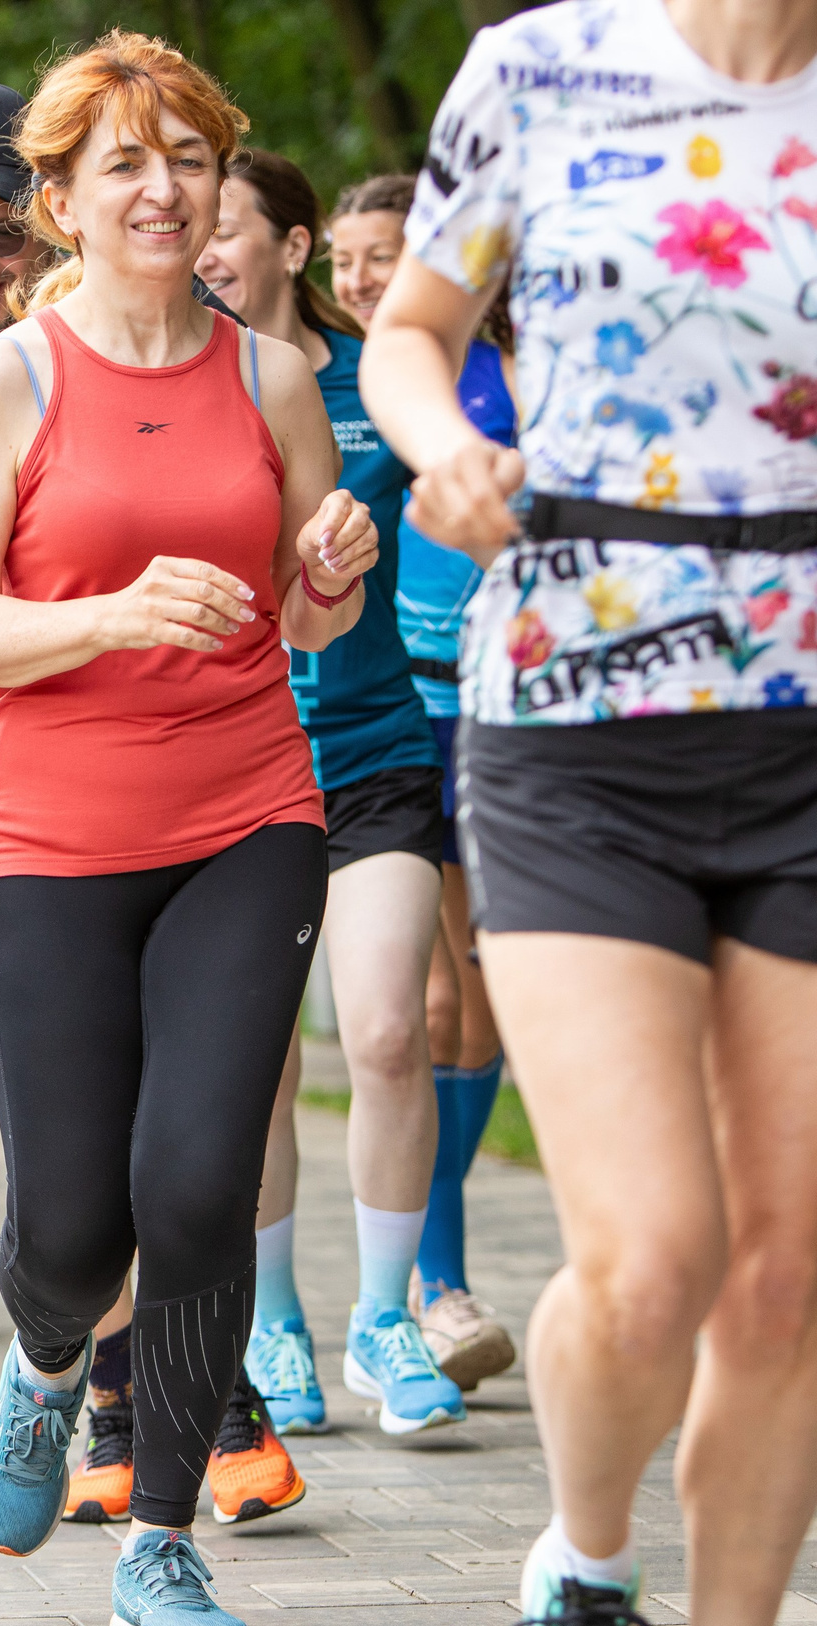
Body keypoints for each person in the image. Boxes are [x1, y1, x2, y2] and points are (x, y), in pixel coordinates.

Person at [364, 2, 817, 1626]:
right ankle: (587, 1563)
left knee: (778, 1267)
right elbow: (411, 326)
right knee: (652, 1247)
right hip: (573, 705)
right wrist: (444, 446)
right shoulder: (541, 66)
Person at [0, 31, 377, 1626]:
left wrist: (333, 556)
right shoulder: (12, 378)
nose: (163, 185)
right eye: (124, 162)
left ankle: (162, 1544)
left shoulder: (273, 377)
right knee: (71, 1230)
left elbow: (311, 605)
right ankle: (46, 1370)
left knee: (197, 1187)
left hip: (248, 813)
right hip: (45, 836)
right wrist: (109, 610)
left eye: (188, 154)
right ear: (60, 200)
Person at [195, 149, 465, 1439]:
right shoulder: (179, 388)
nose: (198, 245)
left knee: (387, 1028)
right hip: (235, 761)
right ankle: (277, 1322)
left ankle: (387, 1313)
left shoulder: (378, 382)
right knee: (258, 1063)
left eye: (224, 226)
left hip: (372, 749)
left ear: (291, 248)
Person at [329, 172, 516, 1390]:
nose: (354, 278)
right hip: (416, 715)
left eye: (380, 255)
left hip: (518, 707)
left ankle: (433, 1280)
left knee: (489, 998)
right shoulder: (344, 388)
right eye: (340, 257)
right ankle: (431, 1288)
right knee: (432, 1001)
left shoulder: (516, 369)